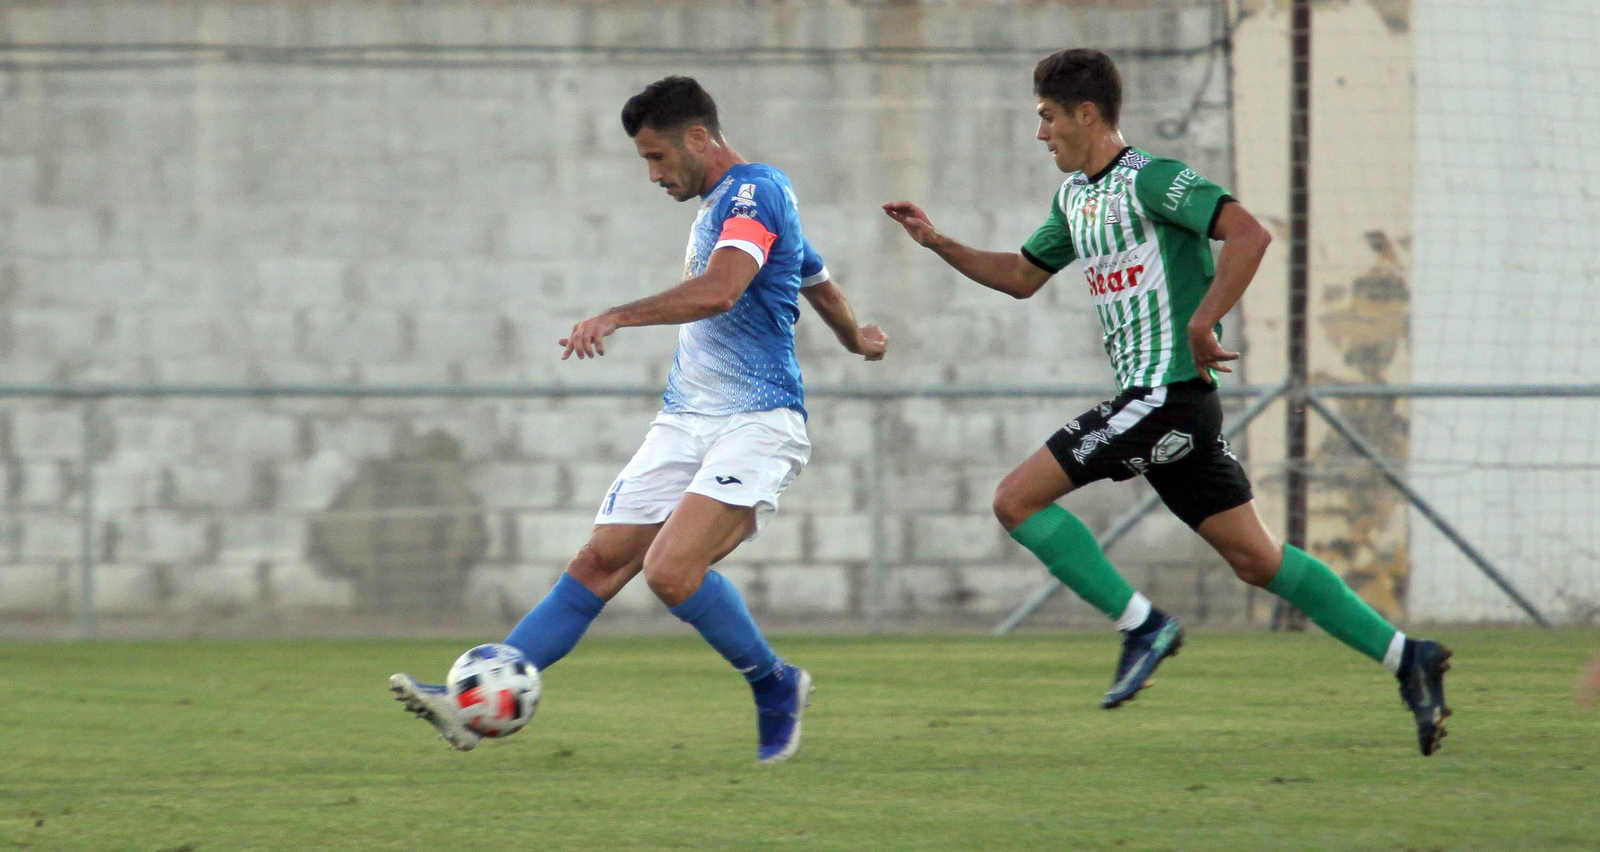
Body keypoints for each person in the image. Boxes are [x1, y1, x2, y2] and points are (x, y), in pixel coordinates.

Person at [883, 48, 1452, 756]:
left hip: (1166, 396)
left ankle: (1144, 626)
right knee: (1257, 560)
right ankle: (1408, 657)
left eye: (1048, 117)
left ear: (1086, 114)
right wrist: (937, 241)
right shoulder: (1074, 198)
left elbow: (1249, 233)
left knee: (1015, 500)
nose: (1041, 133)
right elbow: (1023, 276)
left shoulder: (1151, 179)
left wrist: (1203, 321)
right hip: (1164, 407)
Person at [392, 75, 887, 763]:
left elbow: (721, 291)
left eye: (657, 157)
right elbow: (814, 278)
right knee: (599, 561)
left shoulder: (754, 191)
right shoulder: (735, 208)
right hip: (686, 419)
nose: (652, 174)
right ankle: (475, 697)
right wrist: (855, 337)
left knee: (671, 571)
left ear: (698, 137)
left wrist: (617, 315)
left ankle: (775, 684)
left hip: (756, 420)